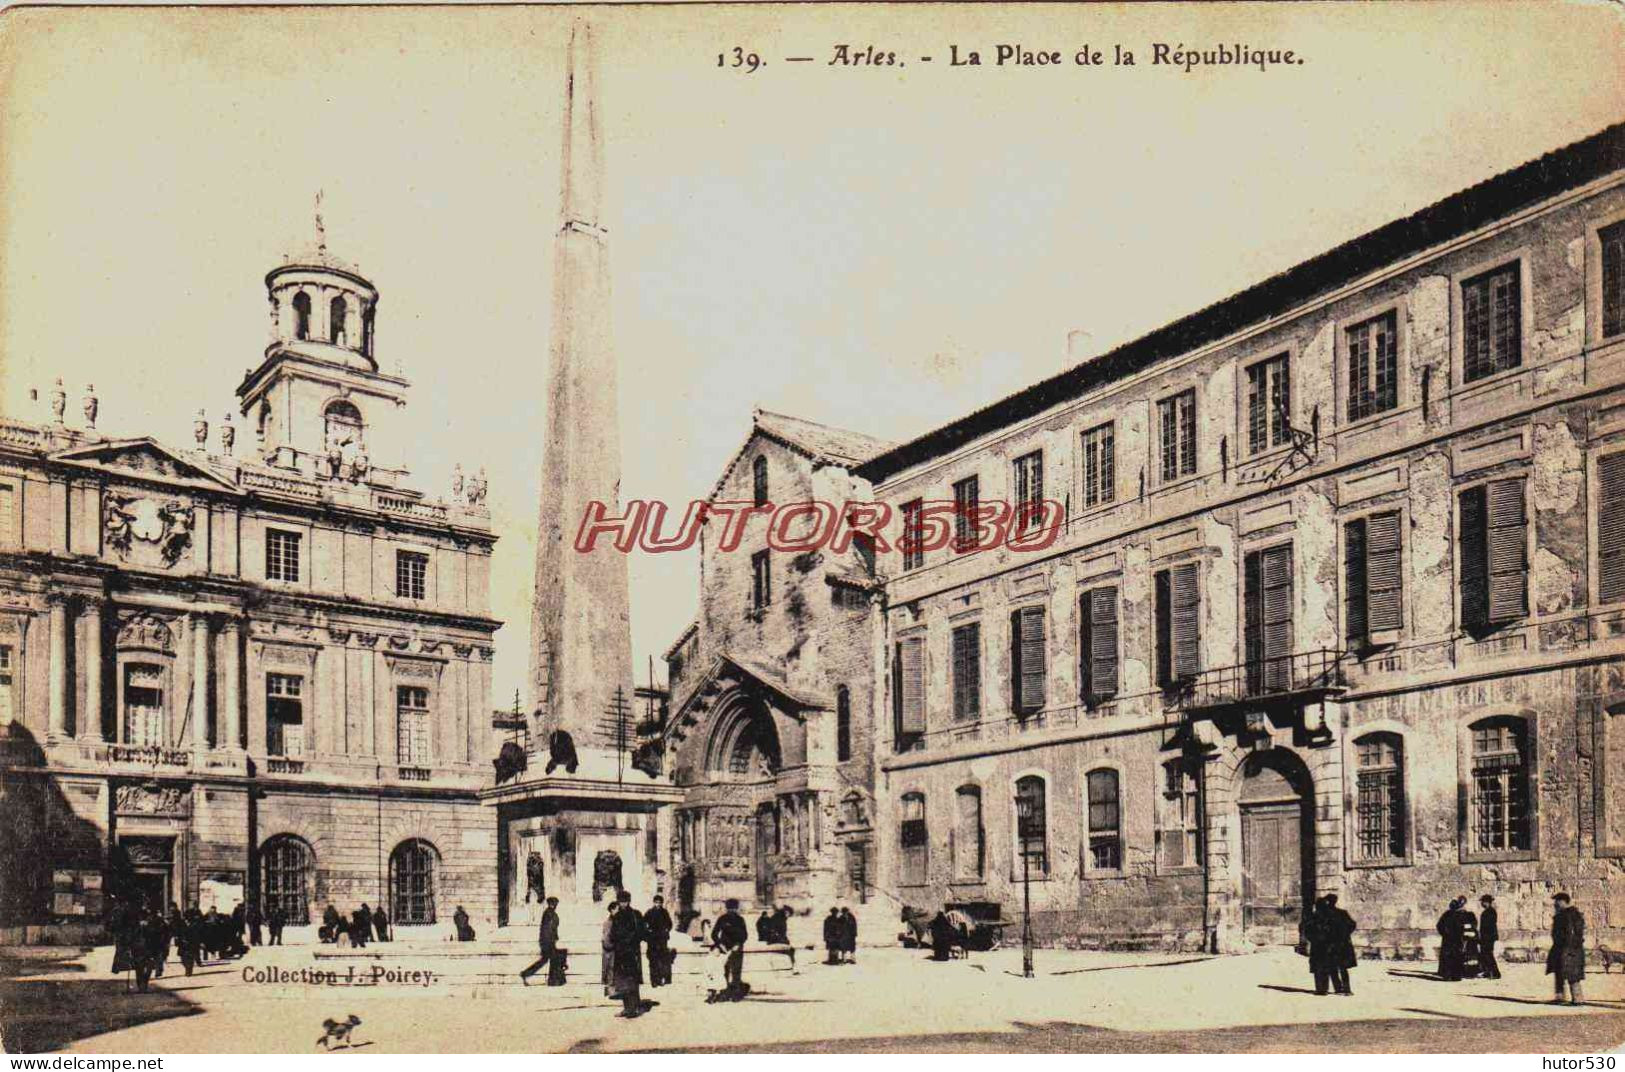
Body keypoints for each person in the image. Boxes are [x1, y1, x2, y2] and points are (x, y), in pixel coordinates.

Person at [609, 890, 649, 1018]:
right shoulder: (616, 916)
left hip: (631, 952)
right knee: (622, 982)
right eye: (621, 901)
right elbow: (613, 934)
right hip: (620, 953)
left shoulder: (635, 915)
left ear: (629, 901)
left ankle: (633, 1008)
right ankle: (627, 1008)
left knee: (632, 980)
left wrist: (629, 940)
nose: (623, 904)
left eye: (625, 901)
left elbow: (641, 932)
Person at [1547, 892, 1586, 1005]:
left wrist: (1568, 948)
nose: (1555, 904)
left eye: (1558, 901)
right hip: (1562, 948)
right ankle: (1560, 997)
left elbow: (1572, 934)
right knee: (1559, 972)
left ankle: (1577, 998)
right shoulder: (1565, 914)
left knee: (1572, 974)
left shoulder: (1569, 915)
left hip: (1568, 949)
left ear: (1564, 902)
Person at [521, 896, 562, 985]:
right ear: (552, 904)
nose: (556, 905)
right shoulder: (548, 914)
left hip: (549, 940)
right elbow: (548, 929)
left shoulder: (549, 913)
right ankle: (551, 980)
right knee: (549, 960)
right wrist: (550, 941)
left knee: (548, 960)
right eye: (555, 903)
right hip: (548, 941)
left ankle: (526, 974)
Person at [713, 898, 749, 999]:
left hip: (737, 949)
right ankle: (724, 993)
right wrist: (720, 945)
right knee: (724, 972)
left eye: (733, 909)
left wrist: (738, 944)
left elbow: (745, 935)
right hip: (724, 949)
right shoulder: (722, 919)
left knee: (736, 972)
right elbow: (714, 934)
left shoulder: (740, 920)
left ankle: (735, 995)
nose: (731, 911)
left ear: (736, 909)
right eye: (730, 909)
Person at [644, 895, 674, 987]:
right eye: (656, 902)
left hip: (661, 940)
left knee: (661, 961)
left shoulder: (664, 912)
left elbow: (669, 924)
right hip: (652, 940)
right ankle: (654, 981)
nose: (658, 904)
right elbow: (644, 923)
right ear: (654, 902)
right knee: (653, 961)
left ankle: (660, 979)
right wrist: (648, 930)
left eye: (660, 903)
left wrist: (666, 930)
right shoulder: (649, 912)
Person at [1436, 897, 1468, 981]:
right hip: (1454, 939)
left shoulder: (1451, 914)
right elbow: (1440, 926)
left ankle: (1450, 975)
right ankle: (1454, 975)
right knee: (1454, 957)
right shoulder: (1457, 915)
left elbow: (1439, 926)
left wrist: (1445, 934)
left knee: (1451, 957)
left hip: (1452, 939)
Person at [1478, 894, 1501, 980]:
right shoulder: (1488, 911)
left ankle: (1495, 973)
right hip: (1486, 937)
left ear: (1487, 902)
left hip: (1488, 937)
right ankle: (1487, 972)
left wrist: (1484, 937)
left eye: (1483, 902)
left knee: (1488, 955)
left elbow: (1488, 926)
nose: (1482, 904)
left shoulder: (1490, 912)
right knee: (1484, 955)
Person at [601, 901, 619, 996]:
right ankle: (610, 990)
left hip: (614, 949)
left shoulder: (616, 921)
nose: (618, 911)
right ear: (612, 910)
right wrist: (611, 946)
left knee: (613, 969)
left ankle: (612, 989)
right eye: (617, 909)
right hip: (610, 949)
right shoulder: (609, 922)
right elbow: (606, 937)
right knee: (610, 969)